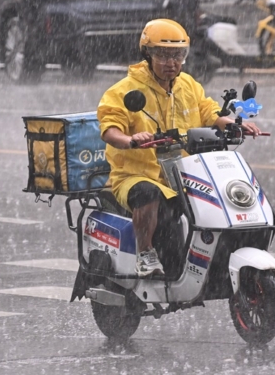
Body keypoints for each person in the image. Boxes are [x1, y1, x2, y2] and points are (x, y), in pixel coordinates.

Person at [97, 19, 261, 277]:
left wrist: (229, 124)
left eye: (178, 55)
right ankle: (145, 254)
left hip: (181, 173)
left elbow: (208, 111)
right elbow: (110, 129)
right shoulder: (123, 91)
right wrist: (130, 140)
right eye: (163, 55)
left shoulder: (188, 85)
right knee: (147, 192)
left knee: (219, 197)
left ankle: (213, 261)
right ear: (147, 54)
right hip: (135, 174)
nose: (171, 62)